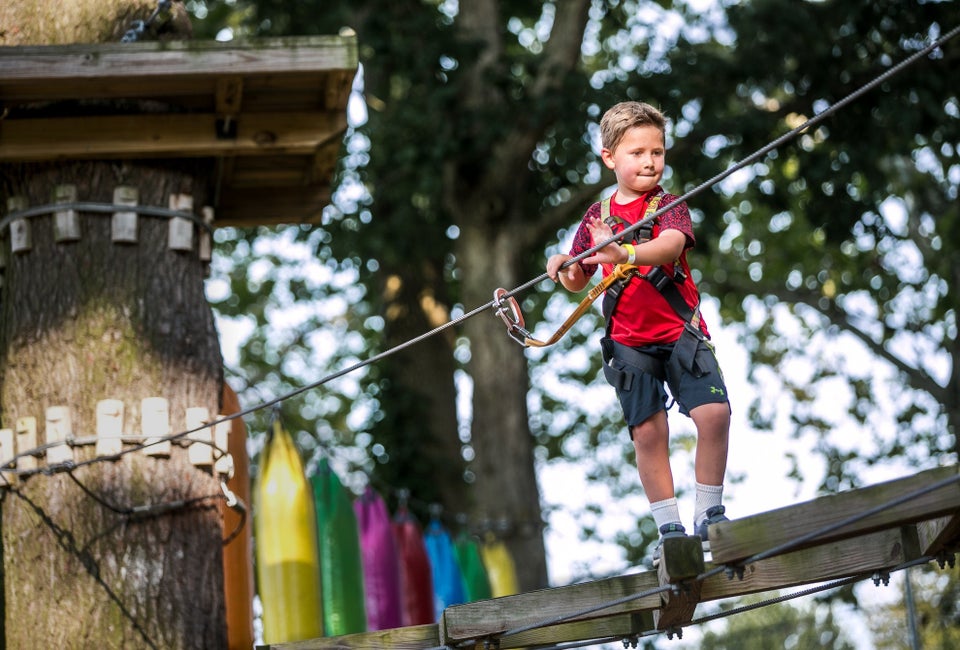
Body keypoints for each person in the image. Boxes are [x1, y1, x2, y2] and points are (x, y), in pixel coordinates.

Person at [546, 101, 731, 565]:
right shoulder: (596, 216)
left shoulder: (667, 206)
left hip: (679, 333)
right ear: (610, 157)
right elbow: (577, 278)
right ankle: (670, 527)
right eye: (637, 153)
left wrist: (622, 252)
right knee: (648, 434)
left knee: (714, 415)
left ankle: (708, 514)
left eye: (657, 152)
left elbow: (669, 247)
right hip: (630, 342)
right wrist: (560, 267)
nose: (650, 162)